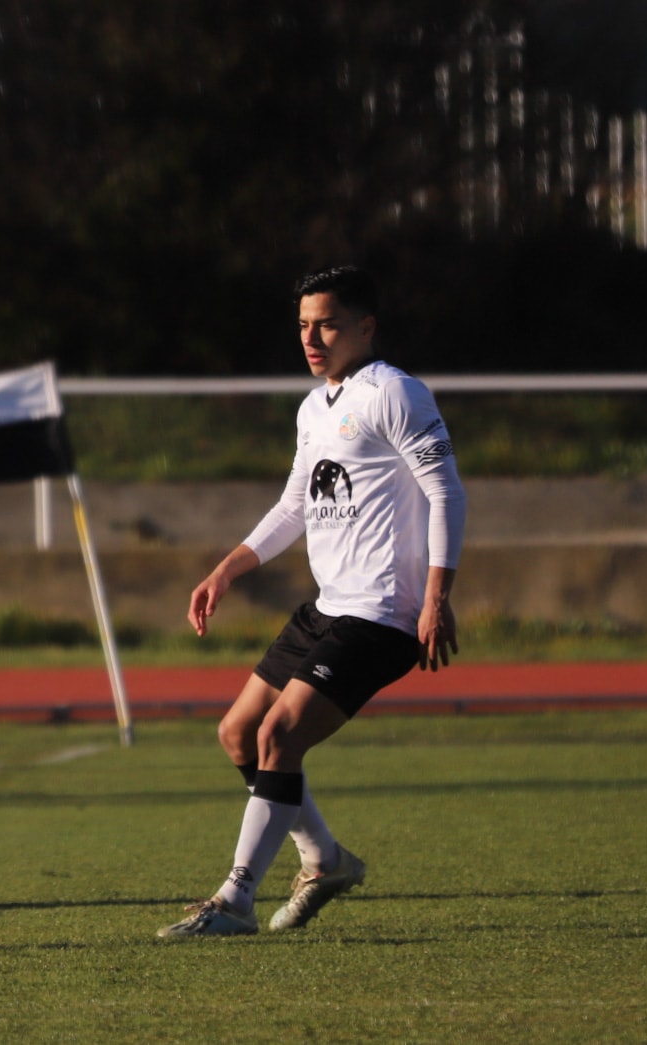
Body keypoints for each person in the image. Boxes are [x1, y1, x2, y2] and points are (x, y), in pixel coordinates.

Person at [158, 265, 465, 938]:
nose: (311, 337)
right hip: (327, 607)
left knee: (278, 735)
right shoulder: (312, 407)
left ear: (364, 325)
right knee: (238, 732)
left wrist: (435, 596)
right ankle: (323, 857)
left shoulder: (394, 393)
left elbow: (446, 492)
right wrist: (228, 567)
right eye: (302, 324)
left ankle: (234, 898)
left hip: (380, 613)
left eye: (326, 322)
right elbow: (294, 504)